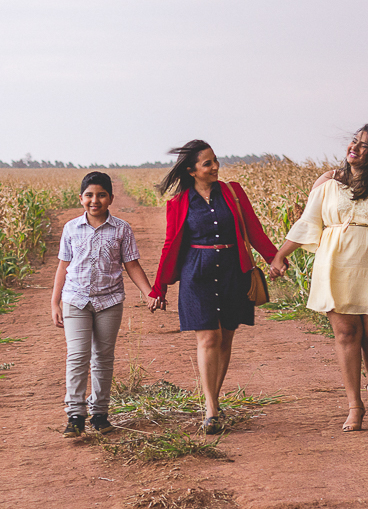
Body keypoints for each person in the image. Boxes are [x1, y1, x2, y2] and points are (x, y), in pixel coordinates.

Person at [270, 124, 368, 432]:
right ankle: (355, 405)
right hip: (334, 264)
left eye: (364, 146)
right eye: (354, 142)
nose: (355, 148)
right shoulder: (327, 182)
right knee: (347, 334)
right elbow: (307, 223)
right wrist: (282, 254)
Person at [148, 140, 282, 434]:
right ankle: (210, 408)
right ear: (191, 170)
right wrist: (159, 287)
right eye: (207, 163)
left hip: (234, 270)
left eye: (215, 161)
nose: (215, 167)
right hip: (197, 273)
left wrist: (274, 258)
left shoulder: (233, 192)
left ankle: (215, 400)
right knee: (209, 338)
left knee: (226, 338)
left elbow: (253, 228)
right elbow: (170, 245)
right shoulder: (178, 203)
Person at [51, 171, 155, 438]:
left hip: (109, 301)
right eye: (89, 195)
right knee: (77, 356)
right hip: (75, 299)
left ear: (110, 198)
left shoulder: (121, 229)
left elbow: (131, 264)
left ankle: (99, 414)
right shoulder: (71, 228)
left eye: (100, 195)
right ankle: (75, 415)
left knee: (103, 358)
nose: (94, 200)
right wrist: (55, 302)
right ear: (81, 198)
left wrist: (149, 292)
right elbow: (63, 266)